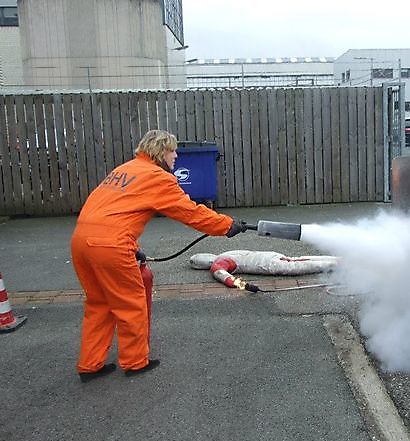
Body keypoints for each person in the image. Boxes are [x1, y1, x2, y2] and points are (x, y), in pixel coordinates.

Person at [71, 130, 248, 382]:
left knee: (99, 304)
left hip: (82, 241)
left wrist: (131, 247)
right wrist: (226, 225)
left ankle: (90, 365)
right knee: (130, 304)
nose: (176, 156)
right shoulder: (157, 177)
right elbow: (189, 211)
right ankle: (134, 362)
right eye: (172, 151)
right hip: (110, 246)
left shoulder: (125, 170)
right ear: (160, 152)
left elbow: (112, 212)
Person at [189, 250, 338, 290]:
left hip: (268, 265)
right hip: (269, 256)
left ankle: (337, 264)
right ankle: (338, 260)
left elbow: (225, 277)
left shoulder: (220, 262)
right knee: (297, 259)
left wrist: (242, 285)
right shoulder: (226, 253)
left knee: (298, 266)